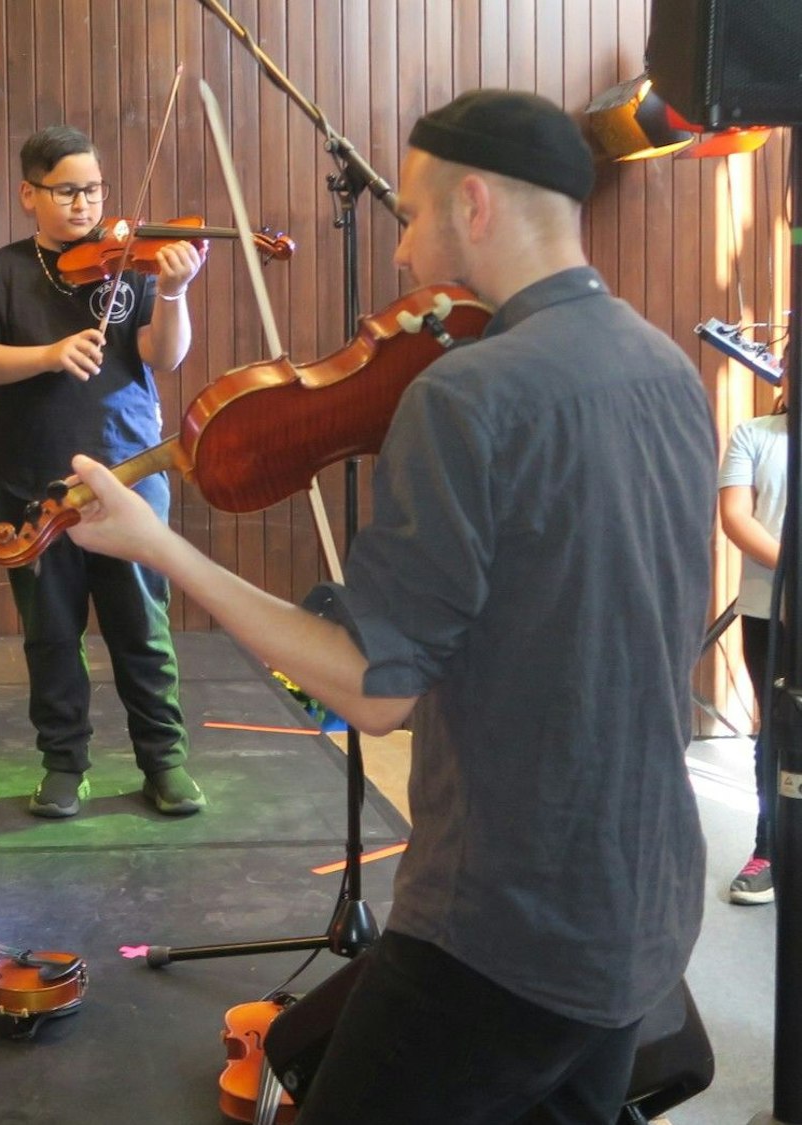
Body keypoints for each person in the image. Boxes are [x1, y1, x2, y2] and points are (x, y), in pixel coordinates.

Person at [63, 90, 712, 1123]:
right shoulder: (665, 366)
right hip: (647, 898)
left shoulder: (467, 395)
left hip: (503, 925)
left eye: (408, 216)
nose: (404, 256)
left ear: (473, 203)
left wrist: (157, 545)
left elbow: (371, 690)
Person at [0, 125, 208, 819]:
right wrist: (48, 353)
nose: (84, 204)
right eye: (67, 191)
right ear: (28, 194)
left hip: (128, 472)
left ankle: (165, 762)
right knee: (51, 631)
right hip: (31, 481)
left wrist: (176, 290)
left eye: (93, 189)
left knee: (142, 629)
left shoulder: (132, 262)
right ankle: (64, 764)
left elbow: (164, 355)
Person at [719, 396, 785, 905]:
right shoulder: (754, 434)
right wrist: (796, 571)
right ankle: (770, 850)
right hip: (771, 611)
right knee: (779, 731)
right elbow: (737, 517)